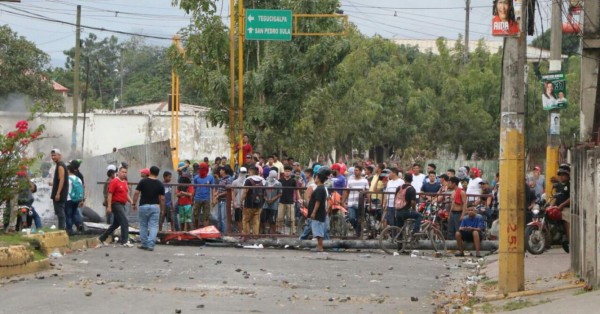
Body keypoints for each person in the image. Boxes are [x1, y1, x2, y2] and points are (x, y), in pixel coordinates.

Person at [97, 167, 134, 247]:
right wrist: (109, 206)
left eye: (125, 172)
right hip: (116, 204)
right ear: (119, 172)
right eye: (122, 172)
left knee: (116, 224)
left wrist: (131, 201)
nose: (124, 174)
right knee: (124, 221)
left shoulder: (124, 182)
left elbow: (126, 194)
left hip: (122, 204)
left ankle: (102, 237)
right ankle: (124, 240)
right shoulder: (114, 181)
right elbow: (110, 194)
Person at [132, 166, 165, 251]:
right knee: (153, 226)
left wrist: (134, 203)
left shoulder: (143, 181)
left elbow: (136, 193)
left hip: (143, 206)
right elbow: (162, 198)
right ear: (157, 174)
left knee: (143, 225)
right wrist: (162, 208)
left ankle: (144, 244)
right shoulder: (160, 184)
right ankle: (151, 245)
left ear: (149, 172)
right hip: (155, 206)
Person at [308, 170, 329, 253]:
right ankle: (318, 245)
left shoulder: (320, 189)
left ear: (319, 179)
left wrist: (314, 212)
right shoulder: (321, 188)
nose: (315, 179)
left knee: (318, 230)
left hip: (318, 213)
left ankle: (320, 247)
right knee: (317, 229)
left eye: (316, 177)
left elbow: (318, 201)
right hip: (319, 212)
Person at [242, 166, 265, 235]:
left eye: (249, 172)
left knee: (246, 220)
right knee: (256, 221)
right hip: (259, 204)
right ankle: (255, 236)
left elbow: (245, 192)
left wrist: (241, 200)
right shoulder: (263, 180)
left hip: (249, 203)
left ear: (251, 172)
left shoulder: (248, 180)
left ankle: (247, 235)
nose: (248, 173)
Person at [50, 148, 68, 230]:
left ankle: (61, 230)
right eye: (52, 155)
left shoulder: (60, 165)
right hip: (60, 192)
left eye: (55, 155)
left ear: (59, 156)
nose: (53, 157)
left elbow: (62, 179)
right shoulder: (59, 165)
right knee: (59, 212)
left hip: (60, 194)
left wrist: (58, 193)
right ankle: (61, 229)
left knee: (60, 213)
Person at [553, 165, 571, 250]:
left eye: (563, 174)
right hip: (558, 208)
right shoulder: (559, 186)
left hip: (566, 208)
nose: (561, 176)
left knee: (566, 217)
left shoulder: (570, 185)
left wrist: (562, 205)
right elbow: (555, 197)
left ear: (568, 175)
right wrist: (550, 206)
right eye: (560, 174)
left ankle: (569, 240)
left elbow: (572, 198)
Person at [192, 162, 214, 229]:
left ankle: (206, 231)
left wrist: (213, 199)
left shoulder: (210, 178)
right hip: (197, 199)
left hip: (206, 199)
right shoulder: (196, 178)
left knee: (206, 216)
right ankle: (196, 229)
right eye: (200, 169)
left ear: (206, 169)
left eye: (203, 168)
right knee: (195, 215)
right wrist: (192, 198)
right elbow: (194, 189)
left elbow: (213, 189)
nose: (201, 170)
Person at [278, 165, 298, 235]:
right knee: (280, 217)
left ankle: (293, 231)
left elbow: (297, 190)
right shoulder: (280, 180)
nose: (287, 173)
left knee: (291, 218)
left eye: (288, 171)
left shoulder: (293, 181)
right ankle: (279, 231)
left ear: (290, 172)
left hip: (290, 201)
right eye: (286, 171)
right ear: (284, 172)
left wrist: (299, 199)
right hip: (281, 201)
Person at [65, 164, 84, 235]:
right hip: (77, 199)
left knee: (68, 215)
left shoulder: (67, 179)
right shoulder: (78, 179)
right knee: (73, 214)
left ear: (69, 170)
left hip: (68, 199)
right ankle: (77, 226)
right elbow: (82, 189)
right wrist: (82, 200)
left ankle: (69, 230)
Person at [214, 166, 232, 233]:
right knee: (219, 217)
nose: (220, 171)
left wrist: (219, 195)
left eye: (221, 170)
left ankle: (224, 233)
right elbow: (219, 189)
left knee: (223, 218)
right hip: (219, 199)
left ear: (224, 171)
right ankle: (219, 232)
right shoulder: (221, 179)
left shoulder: (229, 179)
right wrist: (216, 193)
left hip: (225, 200)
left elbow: (228, 191)